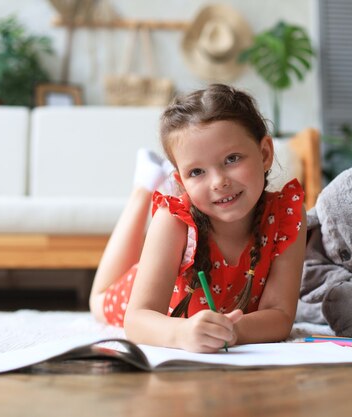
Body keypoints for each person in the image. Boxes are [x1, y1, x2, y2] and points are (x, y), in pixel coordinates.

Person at [89, 84, 307, 353]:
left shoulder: (286, 215)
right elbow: (136, 320)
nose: (219, 182)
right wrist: (182, 332)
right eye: (197, 172)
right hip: (139, 285)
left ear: (264, 154)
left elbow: (280, 315)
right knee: (98, 303)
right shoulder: (174, 220)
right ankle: (143, 187)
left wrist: (230, 331)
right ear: (181, 182)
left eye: (232, 159)